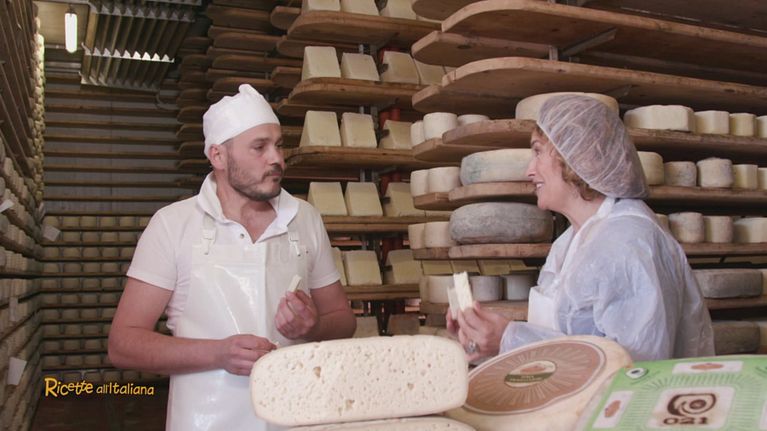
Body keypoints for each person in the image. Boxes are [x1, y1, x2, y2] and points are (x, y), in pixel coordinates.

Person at [108, 84, 356, 431]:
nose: (277, 159)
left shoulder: (305, 219)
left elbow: (343, 320)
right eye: (259, 147)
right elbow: (123, 344)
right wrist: (218, 353)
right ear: (218, 156)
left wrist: (313, 327)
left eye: (279, 145)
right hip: (205, 422)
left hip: (295, 419)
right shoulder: (173, 225)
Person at [447, 94, 714, 362]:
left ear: (576, 155)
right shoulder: (572, 242)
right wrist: (485, 341)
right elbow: (565, 340)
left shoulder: (627, 242)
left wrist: (510, 339)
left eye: (538, 151)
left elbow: (635, 366)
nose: (529, 170)